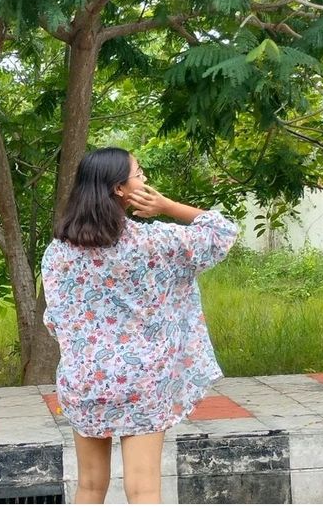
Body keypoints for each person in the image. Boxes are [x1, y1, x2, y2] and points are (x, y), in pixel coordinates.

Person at [41, 147, 238, 504]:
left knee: (89, 486)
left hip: (85, 379)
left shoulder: (58, 251)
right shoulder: (156, 242)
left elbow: (56, 320)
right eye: (139, 173)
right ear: (119, 188)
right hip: (143, 382)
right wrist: (167, 206)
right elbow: (221, 231)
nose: (145, 179)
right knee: (143, 490)